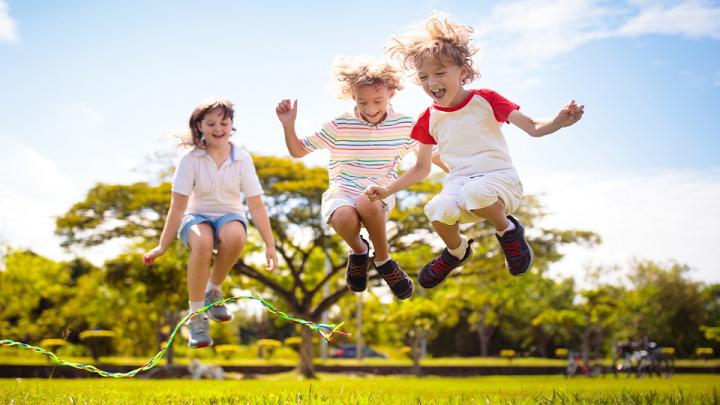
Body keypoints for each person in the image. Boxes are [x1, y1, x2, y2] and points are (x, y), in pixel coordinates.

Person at [366, 14, 584, 288]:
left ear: (463, 73)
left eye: (440, 72)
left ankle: (509, 231)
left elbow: (532, 127)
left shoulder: (486, 100)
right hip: (461, 186)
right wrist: (387, 190)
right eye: (424, 76)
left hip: (499, 180)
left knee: (475, 192)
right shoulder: (428, 118)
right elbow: (421, 167)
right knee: (436, 208)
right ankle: (457, 251)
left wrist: (558, 122)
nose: (431, 82)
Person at [275, 56, 440, 300]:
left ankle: (384, 260)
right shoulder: (340, 125)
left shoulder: (405, 124)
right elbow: (299, 151)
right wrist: (289, 125)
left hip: (381, 189)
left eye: (377, 101)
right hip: (342, 189)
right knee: (342, 215)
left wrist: (463, 173)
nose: (371, 108)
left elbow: (431, 157)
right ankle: (359, 252)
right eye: (362, 102)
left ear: (391, 94)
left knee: (366, 201)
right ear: (353, 97)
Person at [144, 99, 277, 348]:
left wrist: (270, 244)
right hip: (196, 216)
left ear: (231, 125)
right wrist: (162, 246)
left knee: (236, 236)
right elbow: (178, 206)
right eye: (211, 123)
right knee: (203, 242)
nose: (218, 128)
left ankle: (213, 290)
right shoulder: (190, 159)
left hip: (230, 214)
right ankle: (196, 317)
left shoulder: (242, 159)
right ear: (199, 126)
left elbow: (256, 205)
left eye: (224, 123)